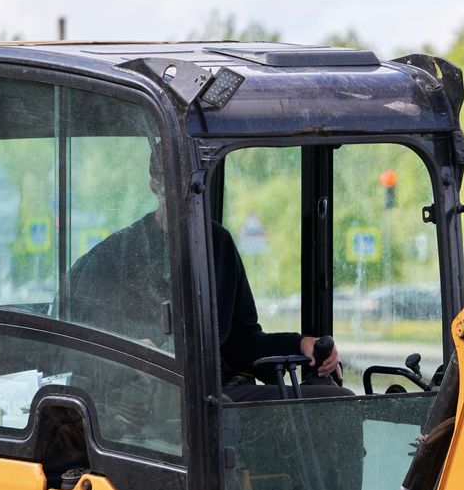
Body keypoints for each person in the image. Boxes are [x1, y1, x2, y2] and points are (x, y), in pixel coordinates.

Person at [67, 144, 342, 394]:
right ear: (155, 186)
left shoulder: (218, 245)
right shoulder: (111, 258)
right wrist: (129, 352)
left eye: (197, 182)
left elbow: (243, 342)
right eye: (179, 184)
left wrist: (300, 344)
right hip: (141, 401)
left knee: (333, 397)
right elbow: (74, 348)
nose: (189, 193)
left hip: (213, 395)